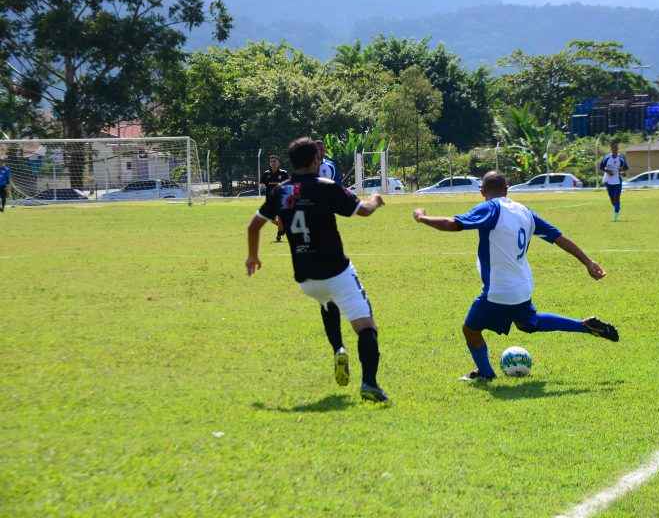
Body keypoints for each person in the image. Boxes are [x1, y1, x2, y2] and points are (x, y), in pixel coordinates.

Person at [413, 171, 619, 382]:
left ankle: (485, 373)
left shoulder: (491, 208)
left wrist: (421, 217)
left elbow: (452, 224)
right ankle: (583, 326)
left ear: (482, 191)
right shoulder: (525, 211)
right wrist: (588, 262)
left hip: (498, 291)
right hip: (522, 287)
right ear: (507, 189)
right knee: (528, 323)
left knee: (471, 330)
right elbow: (559, 238)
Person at [246, 137, 389, 402]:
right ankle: (369, 383)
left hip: (306, 279)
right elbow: (364, 211)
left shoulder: (280, 191)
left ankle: (338, 348)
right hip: (336, 271)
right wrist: (376, 199)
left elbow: (254, 226)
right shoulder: (327, 187)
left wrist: (253, 256)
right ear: (315, 161)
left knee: (326, 301)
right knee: (366, 327)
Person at [260, 155, 290, 242]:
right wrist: (262, 187)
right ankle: (284, 229)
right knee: (271, 219)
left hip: (281, 200)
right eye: (271, 162)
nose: (273, 163)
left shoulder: (284, 173)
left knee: (280, 217)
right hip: (270, 201)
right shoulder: (266, 174)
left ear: (278, 163)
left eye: (275, 161)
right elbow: (262, 185)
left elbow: (288, 185)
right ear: (269, 163)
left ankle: (279, 235)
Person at [600, 141, 629, 222]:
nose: (615, 149)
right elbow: (601, 167)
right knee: (612, 200)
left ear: (618, 149)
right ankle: (617, 207)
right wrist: (608, 171)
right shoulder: (606, 158)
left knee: (617, 198)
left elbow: (625, 169)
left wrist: (622, 172)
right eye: (613, 148)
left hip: (617, 182)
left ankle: (615, 216)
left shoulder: (621, 158)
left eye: (616, 148)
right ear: (611, 149)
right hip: (608, 181)